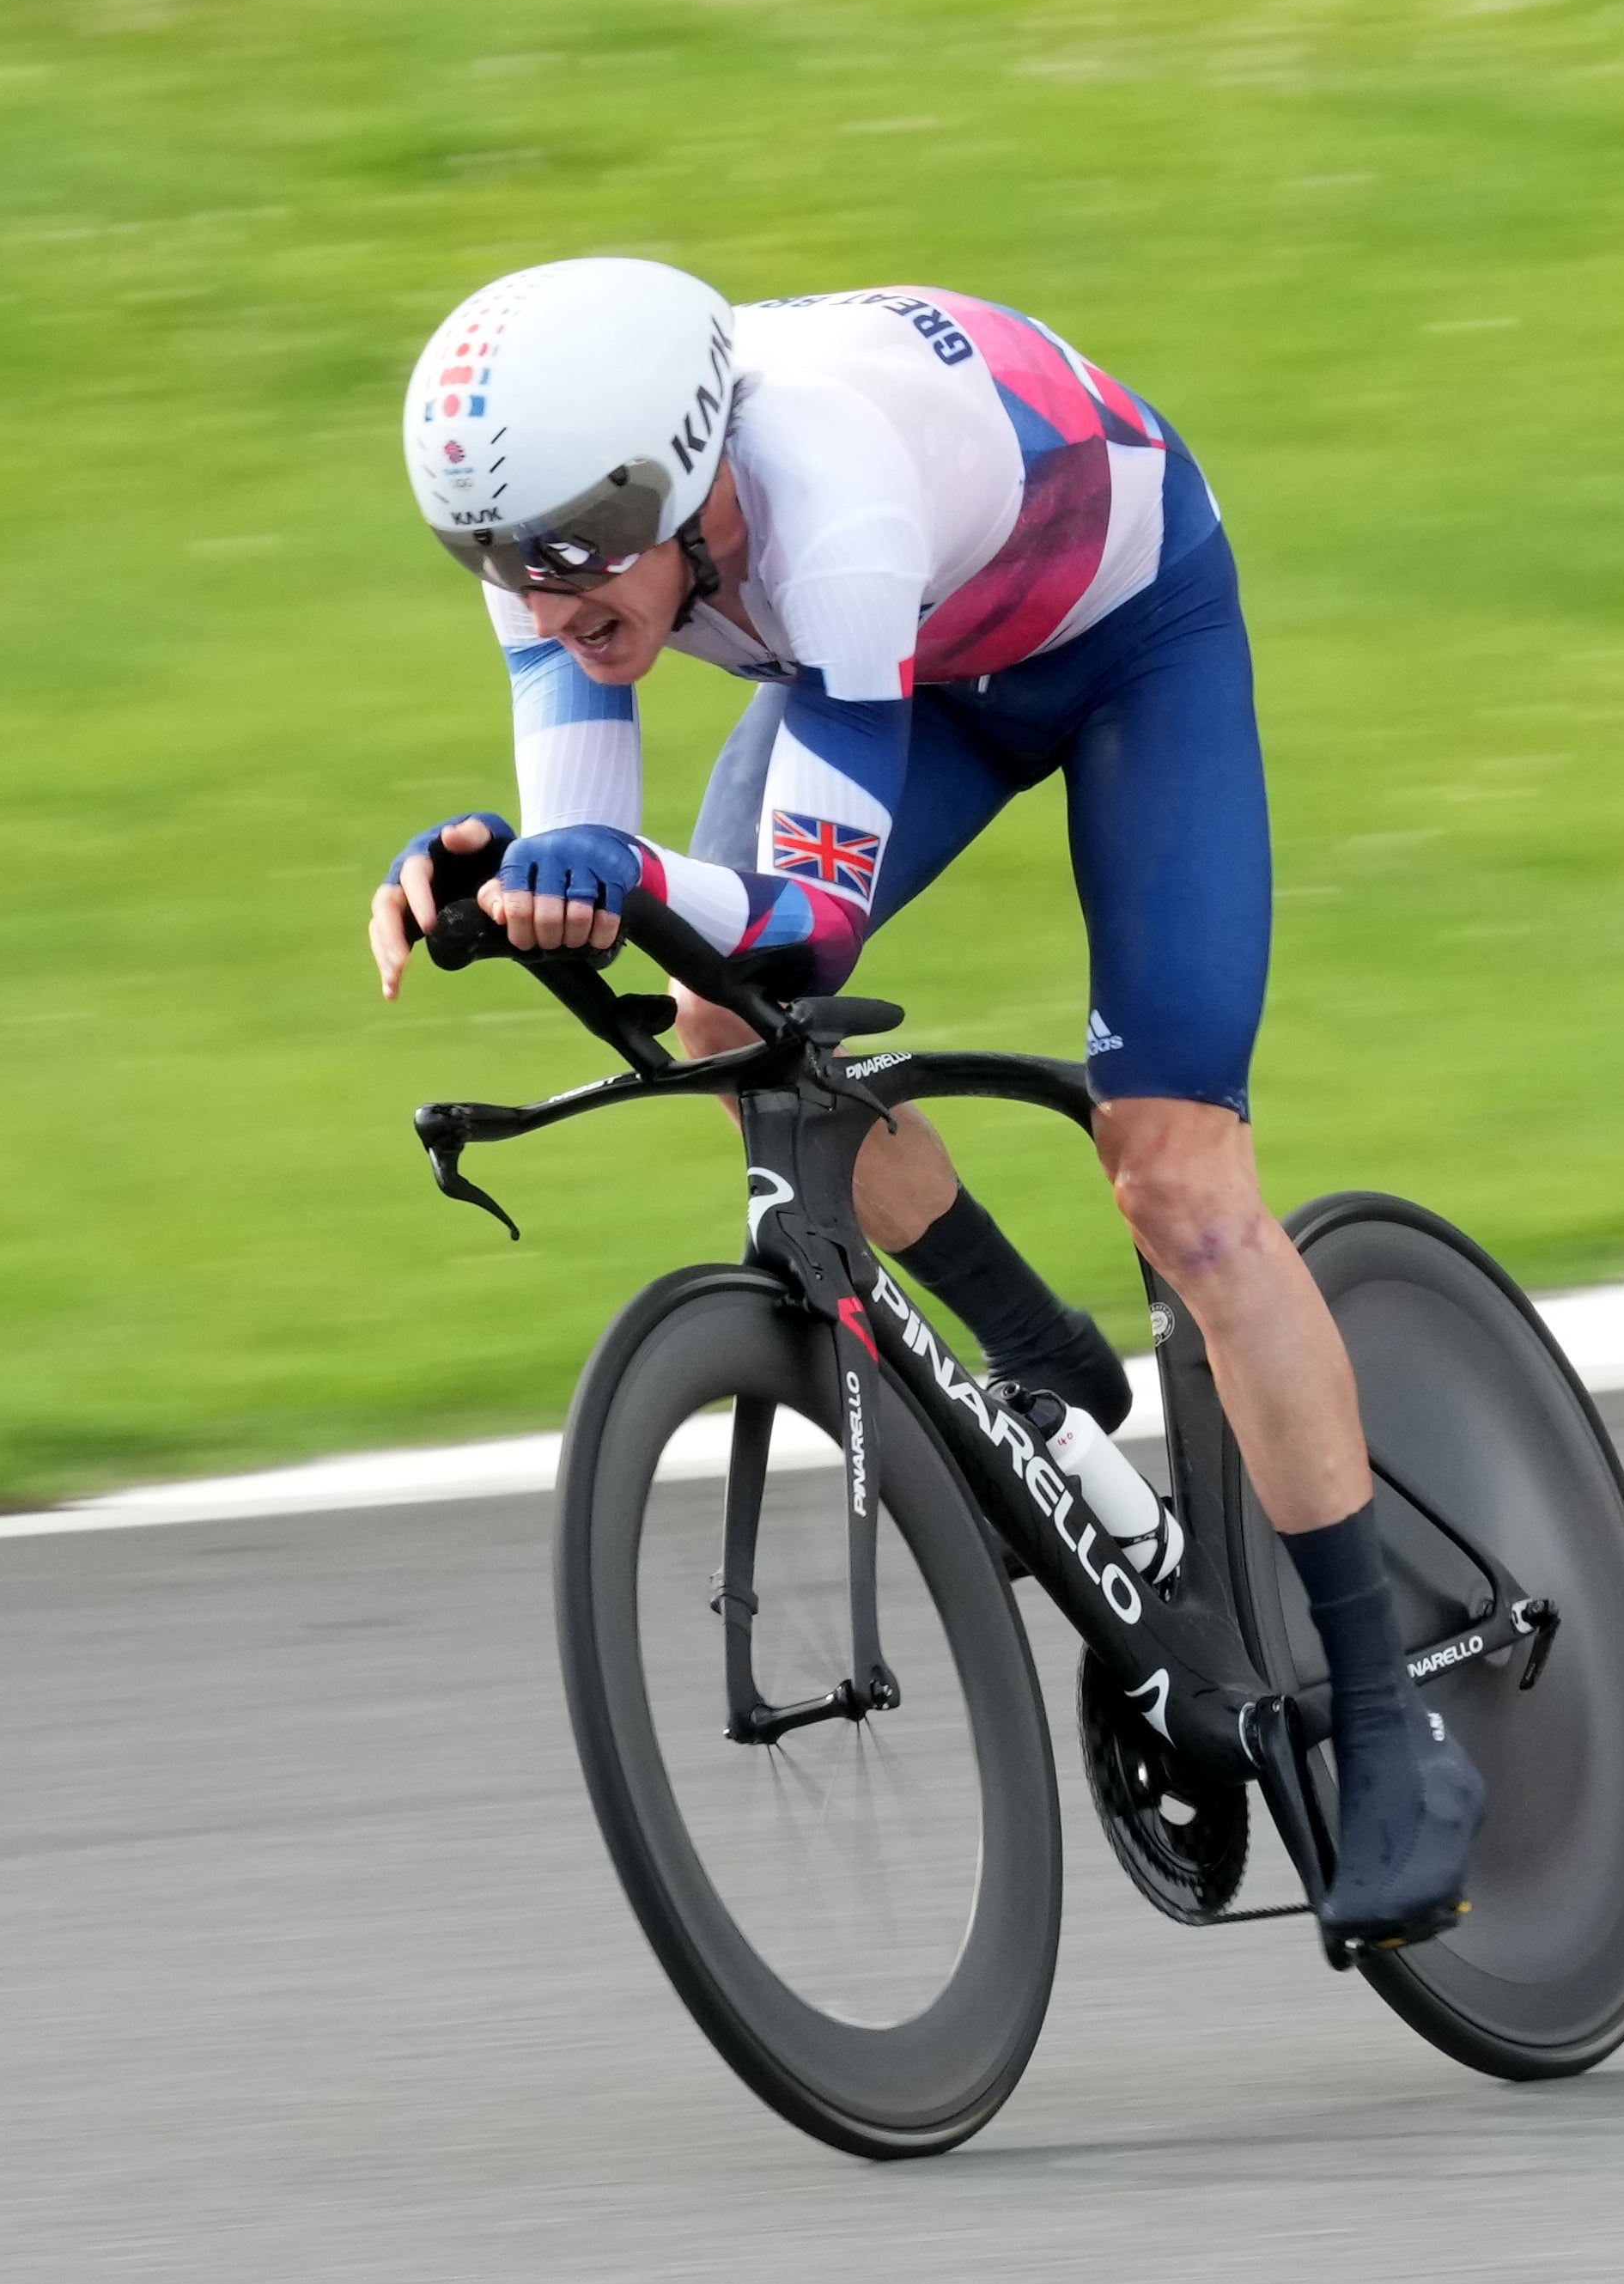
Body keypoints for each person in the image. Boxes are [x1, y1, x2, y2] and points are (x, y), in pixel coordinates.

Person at [362, 255, 1481, 1946]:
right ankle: (1026, 1341)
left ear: (679, 475)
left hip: (1120, 644)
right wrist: (498, 880)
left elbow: (804, 912)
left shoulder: (831, 493)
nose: (540, 597)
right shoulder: (560, 536)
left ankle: (1390, 1720)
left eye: (576, 557)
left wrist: (616, 864)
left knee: (1177, 1185)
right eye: (495, 559)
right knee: (712, 1021)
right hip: (893, 668)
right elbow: (600, 851)